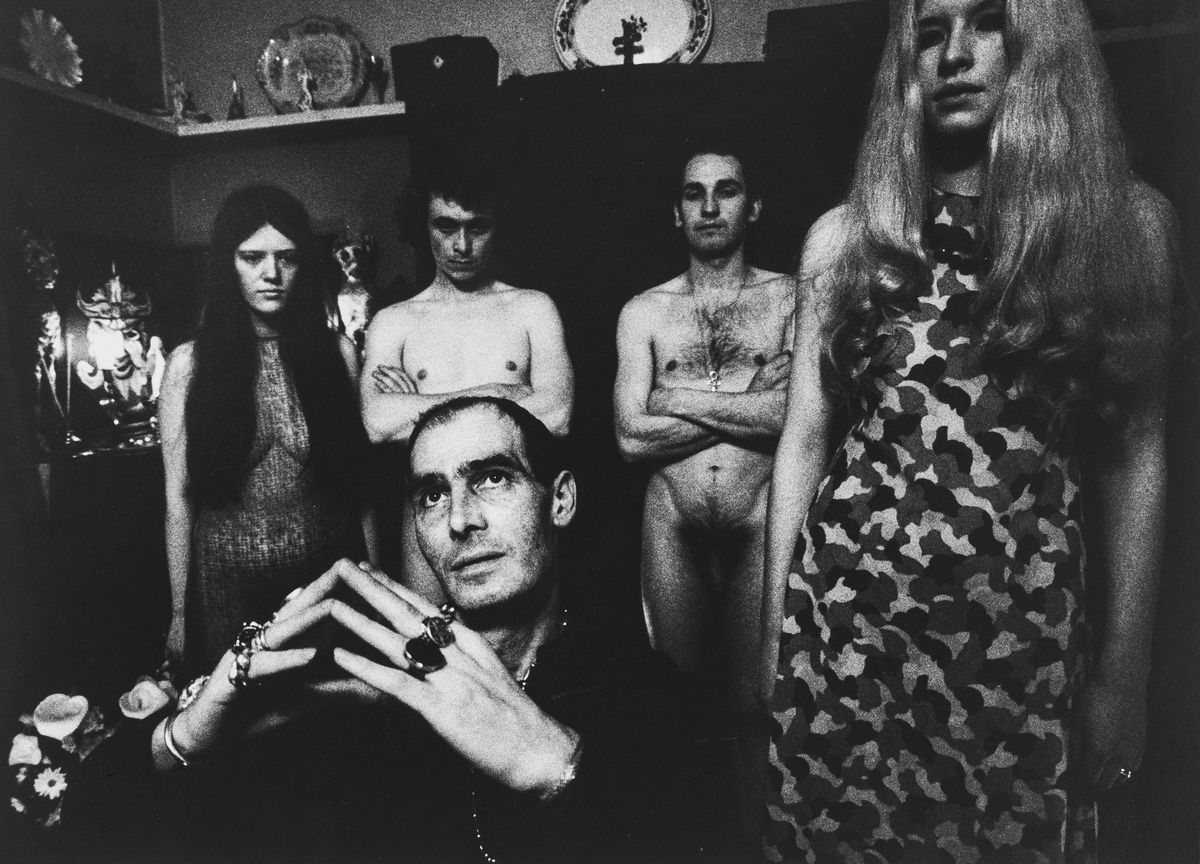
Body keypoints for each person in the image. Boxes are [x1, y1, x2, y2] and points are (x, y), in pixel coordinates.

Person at [760, 0, 1179, 860]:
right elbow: (802, 442)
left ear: (1042, 40)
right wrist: (773, 638)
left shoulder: (1124, 230)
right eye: (928, 30)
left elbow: (1136, 458)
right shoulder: (847, 240)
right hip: (850, 638)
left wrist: (1125, 676)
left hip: (1021, 646)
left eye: (987, 21)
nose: (953, 53)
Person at [67, 398, 710, 863]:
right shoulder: (373, 689)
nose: (460, 520)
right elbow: (88, 823)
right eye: (432, 494)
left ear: (560, 500)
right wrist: (183, 737)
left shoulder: (639, 693)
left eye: (492, 478)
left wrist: (559, 768)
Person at [159, 185, 376, 673]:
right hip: (225, 586)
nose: (271, 274)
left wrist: (377, 585)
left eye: (287, 257)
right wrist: (179, 614)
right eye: (252, 257)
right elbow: (178, 500)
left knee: (338, 709)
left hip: (327, 583)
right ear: (227, 264)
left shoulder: (338, 354)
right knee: (241, 715)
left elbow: (359, 489)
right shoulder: (189, 366)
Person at [614, 144, 794, 718]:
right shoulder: (643, 311)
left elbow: (792, 418)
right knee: (673, 702)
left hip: (760, 511)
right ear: (677, 212)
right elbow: (631, 438)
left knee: (756, 705)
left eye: (727, 191)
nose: (710, 208)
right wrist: (749, 400)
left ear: (754, 207)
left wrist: (672, 398)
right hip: (672, 517)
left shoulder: (791, 298)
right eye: (695, 195)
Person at [360, 163, 574, 602]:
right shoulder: (393, 322)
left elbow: (557, 416)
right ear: (422, 226)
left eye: (478, 227)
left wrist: (420, 405)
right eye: (446, 226)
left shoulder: (532, 308)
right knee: (431, 638)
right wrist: (503, 392)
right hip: (431, 507)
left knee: (524, 636)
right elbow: (378, 424)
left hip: (510, 509)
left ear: (499, 226)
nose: (461, 245)